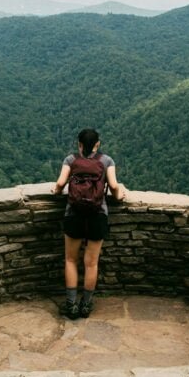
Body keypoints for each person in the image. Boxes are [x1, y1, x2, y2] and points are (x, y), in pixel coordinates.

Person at [51, 128, 128, 319]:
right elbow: (114, 186)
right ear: (97, 144)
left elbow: (60, 183)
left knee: (70, 260)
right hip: (97, 215)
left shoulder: (71, 160)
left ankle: (71, 305)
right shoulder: (106, 161)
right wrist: (120, 195)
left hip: (74, 215)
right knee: (91, 263)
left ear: (79, 144)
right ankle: (86, 305)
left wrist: (56, 191)